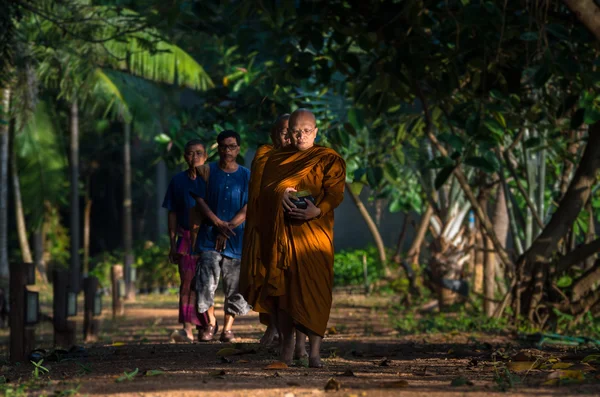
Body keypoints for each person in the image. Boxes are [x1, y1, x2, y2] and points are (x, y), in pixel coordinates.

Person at [256, 109, 346, 367]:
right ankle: (287, 349)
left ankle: (314, 353)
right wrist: (279, 194)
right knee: (284, 295)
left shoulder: (328, 159)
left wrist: (317, 210)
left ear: (316, 132)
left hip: (316, 237)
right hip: (284, 238)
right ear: (289, 131)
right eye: (296, 131)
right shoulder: (277, 159)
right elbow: (265, 192)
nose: (301, 135)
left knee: (316, 292)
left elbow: (335, 192)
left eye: (307, 130)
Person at [193, 130, 251, 343]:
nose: (228, 150)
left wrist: (228, 228)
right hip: (209, 236)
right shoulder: (207, 172)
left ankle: (228, 328)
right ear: (218, 147)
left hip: (236, 238)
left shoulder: (246, 175)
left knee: (233, 285)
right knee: (206, 282)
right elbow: (200, 201)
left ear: (238, 148)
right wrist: (217, 224)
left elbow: (249, 206)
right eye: (224, 146)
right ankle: (210, 323)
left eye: (232, 146)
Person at [162, 139, 209, 342]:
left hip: (207, 238)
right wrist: (172, 242)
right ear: (184, 156)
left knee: (206, 283)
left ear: (206, 156)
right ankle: (187, 327)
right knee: (187, 284)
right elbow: (172, 213)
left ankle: (207, 325)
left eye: (199, 153)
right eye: (190, 153)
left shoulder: (212, 180)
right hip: (186, 239)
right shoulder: (178, 181)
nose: (195, 157)